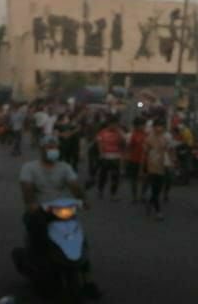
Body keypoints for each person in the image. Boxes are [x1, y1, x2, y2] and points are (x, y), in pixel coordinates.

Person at [19, 136, 95, 291]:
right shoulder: (29, 168)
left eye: (54, 147)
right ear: (41, 149)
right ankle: (39, 268)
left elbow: (74, 186)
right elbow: (27, 189)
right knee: (38, 238)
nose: (52, 150)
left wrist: (83, 199)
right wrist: (32, 204)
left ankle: (88, 280)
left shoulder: (65, 167)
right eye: (49, 147)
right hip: (40, 211)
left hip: (62, 209)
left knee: (80, 238)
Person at [142, 120, 174, 220]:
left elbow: (169, 151)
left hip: (162, 166)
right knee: (155, 188)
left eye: (160, 126)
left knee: (158, 190)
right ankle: (158, 211)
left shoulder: (165, 138)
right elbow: (145, 154)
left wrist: (172, 162)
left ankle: (150, 203)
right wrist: (144, 167)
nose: (159, 128)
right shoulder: (149, 139)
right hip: (152, 166)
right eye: (157, 126)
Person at [94, 120, 125, 200]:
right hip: (105, 157)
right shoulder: (102, 132)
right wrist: (101, 154)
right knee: (103, 176)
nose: (114, 127)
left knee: (115, 177)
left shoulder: (119, 133)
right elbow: (99, 143)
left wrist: (121, 134)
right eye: (112, 125)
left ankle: (113, 194)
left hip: (116, 157)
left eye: (115, 125)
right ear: (109, 125)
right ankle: (100, 191)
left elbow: (123, 144)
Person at [124, 117, 148, 203]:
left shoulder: (147, 134)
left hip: (145, 160)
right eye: (141, 125)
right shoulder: (132, 135)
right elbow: (128, 148)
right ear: (136, 126)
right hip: (134, 160)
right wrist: (126, 159)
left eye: (143, 125)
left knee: (146, 179)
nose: (143, 127)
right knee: (133, 179)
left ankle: (143, 195)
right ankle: (134, 196)